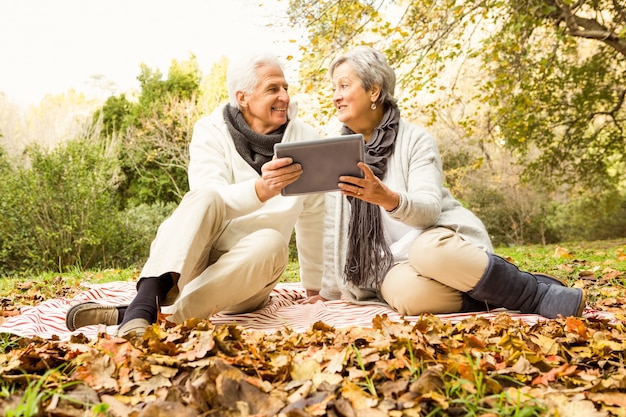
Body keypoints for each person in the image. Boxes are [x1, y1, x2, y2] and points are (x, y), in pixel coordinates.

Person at [304, 46, 586, 319]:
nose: (335, 97)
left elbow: (428, 210)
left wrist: (385, 197)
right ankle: (491, 291)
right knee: (408, 297)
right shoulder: (338, 153)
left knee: (426, 251)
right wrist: (328, 293)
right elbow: (333, 230)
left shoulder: (415, 140)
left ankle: (533, 293)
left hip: (437, 242)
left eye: (343, 86)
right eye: (333, 89)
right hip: (390, 263)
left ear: (374, 90)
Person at [66, 52, 324, 337]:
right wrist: (261, 190)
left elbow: (313, 215)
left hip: (249, 277)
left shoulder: (306, 140)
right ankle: (145, 303)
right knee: (205, 196)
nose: (285, 97)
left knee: (273, 242)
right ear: (243, 97)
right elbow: (209, 199)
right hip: (190, 268)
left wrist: (315, 287)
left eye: (285, 88)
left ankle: (143, 314)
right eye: (273, 89)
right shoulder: (211, 130)